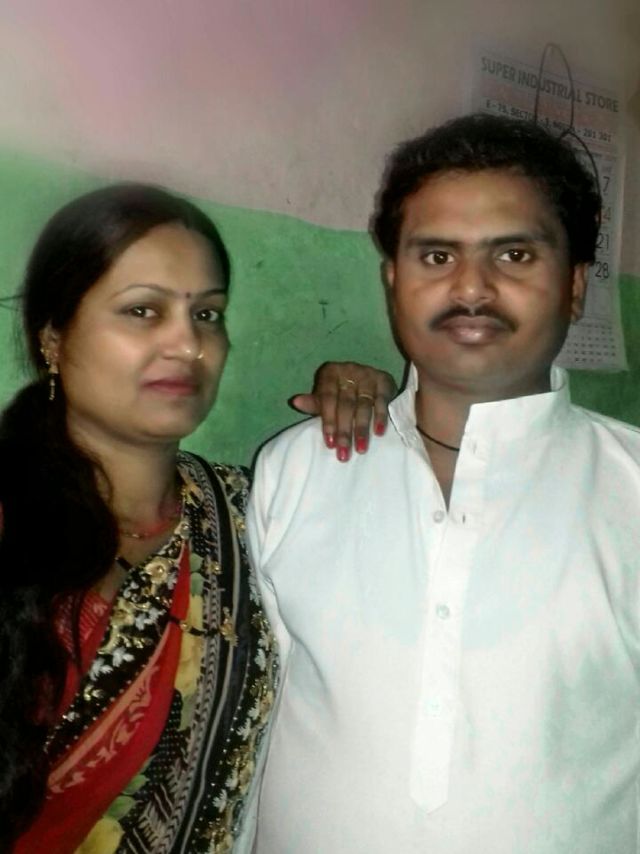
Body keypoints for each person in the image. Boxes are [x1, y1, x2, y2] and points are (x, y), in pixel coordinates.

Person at [247, 113, 640, 853]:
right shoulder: (296, 470)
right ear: (393, 280)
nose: (471, 288)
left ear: (575, 286)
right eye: (436, 255)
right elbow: (250, 721)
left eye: (514, 254)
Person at [0, 183, 394, 853]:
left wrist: (381, 424)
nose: (188, 343)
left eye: (208, 314)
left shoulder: (254, 515)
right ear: (53, 339)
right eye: (143, 310)